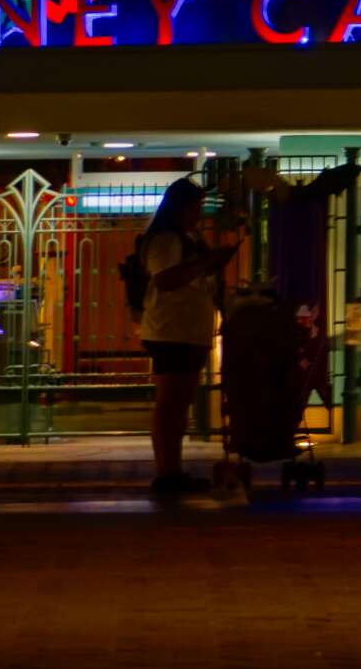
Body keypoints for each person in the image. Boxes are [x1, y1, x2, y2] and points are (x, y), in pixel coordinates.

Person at [136, 177, 238, 496]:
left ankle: (173, 470)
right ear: (178, 207)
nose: (198, 213)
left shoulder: (186, 237)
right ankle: (166, 471)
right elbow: (165, 279)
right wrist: (207, 262)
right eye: (194, 207)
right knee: (171, 404)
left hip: (187, 330)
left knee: (179, 405)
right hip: (171, 329)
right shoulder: (167, 240)